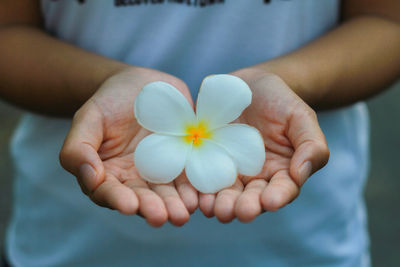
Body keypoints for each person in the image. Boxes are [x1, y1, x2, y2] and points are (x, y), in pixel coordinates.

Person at [0, 0, 399, 266]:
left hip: (303, 247)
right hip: (73, 245)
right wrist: (101, 83)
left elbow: (387, 21)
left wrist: (292, 82)